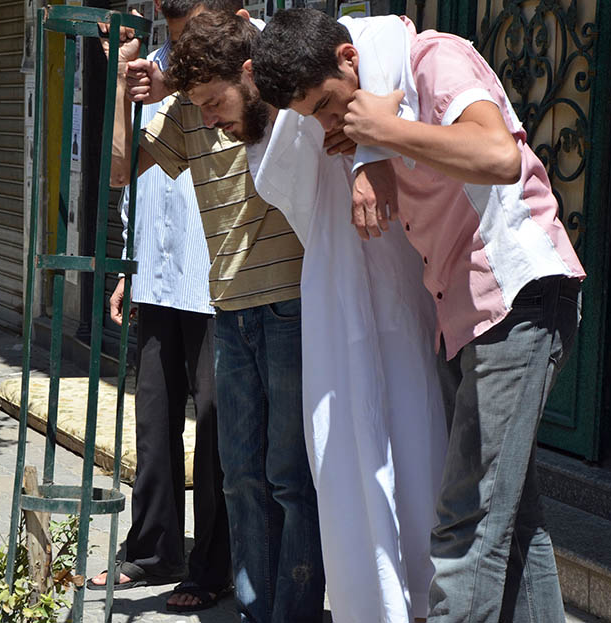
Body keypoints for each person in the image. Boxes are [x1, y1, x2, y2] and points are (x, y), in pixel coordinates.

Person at [250, 9, 586, 623]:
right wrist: (370, 146)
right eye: (316, 117)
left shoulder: (434, 58)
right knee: (513, 528)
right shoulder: (371, 111)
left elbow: (498, 156)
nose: (331, 123)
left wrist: (381, 133)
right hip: (465, 319)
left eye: (328, 103)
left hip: (518, 299)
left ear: (349, 59)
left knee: (465, 529)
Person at [164, 12, 447, 622]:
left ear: (248, 74)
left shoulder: (324, 82)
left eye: (214, 102)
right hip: (291, 306)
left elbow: (379, 32)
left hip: (352, 303)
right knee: (271, 473)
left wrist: (370, 147)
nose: (209, 119)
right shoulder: (285, 122)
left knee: (320, 471)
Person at [96, 4, 326, 621]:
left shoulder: (272, 95)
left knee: (288, 476)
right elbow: (120, 171)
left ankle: (294, 609)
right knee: (238, 475)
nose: (209, 118)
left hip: (289, 304)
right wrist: (122, 87)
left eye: (214, 101)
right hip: (228, 308)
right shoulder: (186, 110)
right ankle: (255, 607)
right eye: (196, 101)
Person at [85, 4, 232, 611]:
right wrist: (127, 261)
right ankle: (153, 551)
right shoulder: (145, 69)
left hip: (218, 278)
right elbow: (129, 174)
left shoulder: (225, 61)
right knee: (153, 420)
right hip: (155, 273)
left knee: (218, 425)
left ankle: (215, 565)